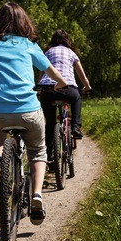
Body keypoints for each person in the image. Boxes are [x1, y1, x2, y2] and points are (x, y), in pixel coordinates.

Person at [0, 3, 68, 225]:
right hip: (28, 111)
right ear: (23, 22)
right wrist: (61, 82)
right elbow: (51, 71)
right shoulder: (30, 46)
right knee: (38, 151)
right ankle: (37, 194)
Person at [37, 29, 91, 170]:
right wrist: (87, 86)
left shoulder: (47, 52)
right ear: (67, 40)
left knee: (50, 124)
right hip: (68, 89)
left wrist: (39, 89)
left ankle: (50, 159)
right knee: (77, 98)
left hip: (48, 90)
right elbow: (82, 75)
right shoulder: (71, 53)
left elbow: (42, 73)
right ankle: (75, 127)